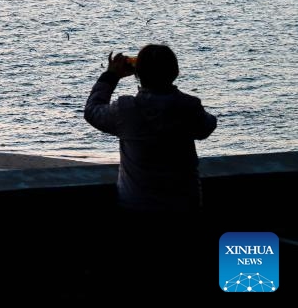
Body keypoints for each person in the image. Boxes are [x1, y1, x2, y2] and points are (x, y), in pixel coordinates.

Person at [84, 44, 217, 213]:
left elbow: (92, 111)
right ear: (175, 72)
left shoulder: (126, 109)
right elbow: (207, 127)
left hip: (136, 203)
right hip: (184, 203)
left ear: (137, 74)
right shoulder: (188, 106)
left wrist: (111, 75)